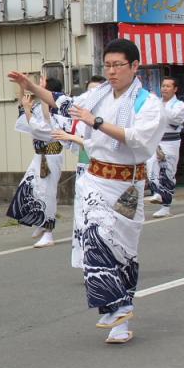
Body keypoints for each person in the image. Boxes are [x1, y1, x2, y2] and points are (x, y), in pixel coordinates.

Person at [13, 38, 166, 345]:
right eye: (107, 65)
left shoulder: (147, 104)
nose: (111, 72)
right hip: (96, 180)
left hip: (127, 185)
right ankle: (114, 308)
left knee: (123, 250)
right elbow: (63, 102)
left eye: (117, 65)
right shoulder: (98, 95)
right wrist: (31, 85)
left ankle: (123, 309)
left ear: (135, 66)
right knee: (96, 237)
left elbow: (137, 138)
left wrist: (96, 122)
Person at [52, 75, 105, 269]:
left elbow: (100, 145)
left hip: (105, 173)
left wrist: (73, 137)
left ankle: (104, 261)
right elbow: (56, 121)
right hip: (84, 170)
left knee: (100, 219)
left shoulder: (107, 120)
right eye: (89, 91)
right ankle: (86, 261)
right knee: (82, 217)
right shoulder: (79, 120)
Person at [7, 76, 65, 248]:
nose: (38, 87)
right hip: (39, 155)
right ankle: (40, 222)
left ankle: (48, 231)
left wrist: (29, 107)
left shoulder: (56, 107)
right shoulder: (39, 105)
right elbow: (22, 108)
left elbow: (44, 124)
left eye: (42, 86)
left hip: (51, 155)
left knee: (47, 192)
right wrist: (21, 86)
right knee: (29, 186)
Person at [146, 77, 184, 217]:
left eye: (168, 86)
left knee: (167, 172)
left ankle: (166, 207)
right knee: (151, 164)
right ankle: (157, 192)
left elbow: (173, 118)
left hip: (171, 142)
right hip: (155, 140)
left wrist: (158, 107)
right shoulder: (157, 103)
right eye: (163, 86)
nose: (164, 88)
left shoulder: (179, 105)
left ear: (175, 89)